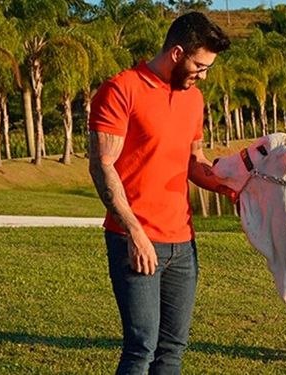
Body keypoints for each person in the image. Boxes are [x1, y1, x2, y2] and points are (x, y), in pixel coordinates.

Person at [88, 12, 234, 375]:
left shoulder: (193, 99)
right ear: (176, 53)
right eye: (199, 66)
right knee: (141, 348)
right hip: (133, 238)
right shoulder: (121, 89)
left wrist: (230, 185)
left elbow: (194, 160)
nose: (203, 75)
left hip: (182, 244)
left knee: (172, 350)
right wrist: (135, 233)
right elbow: (102, 165)